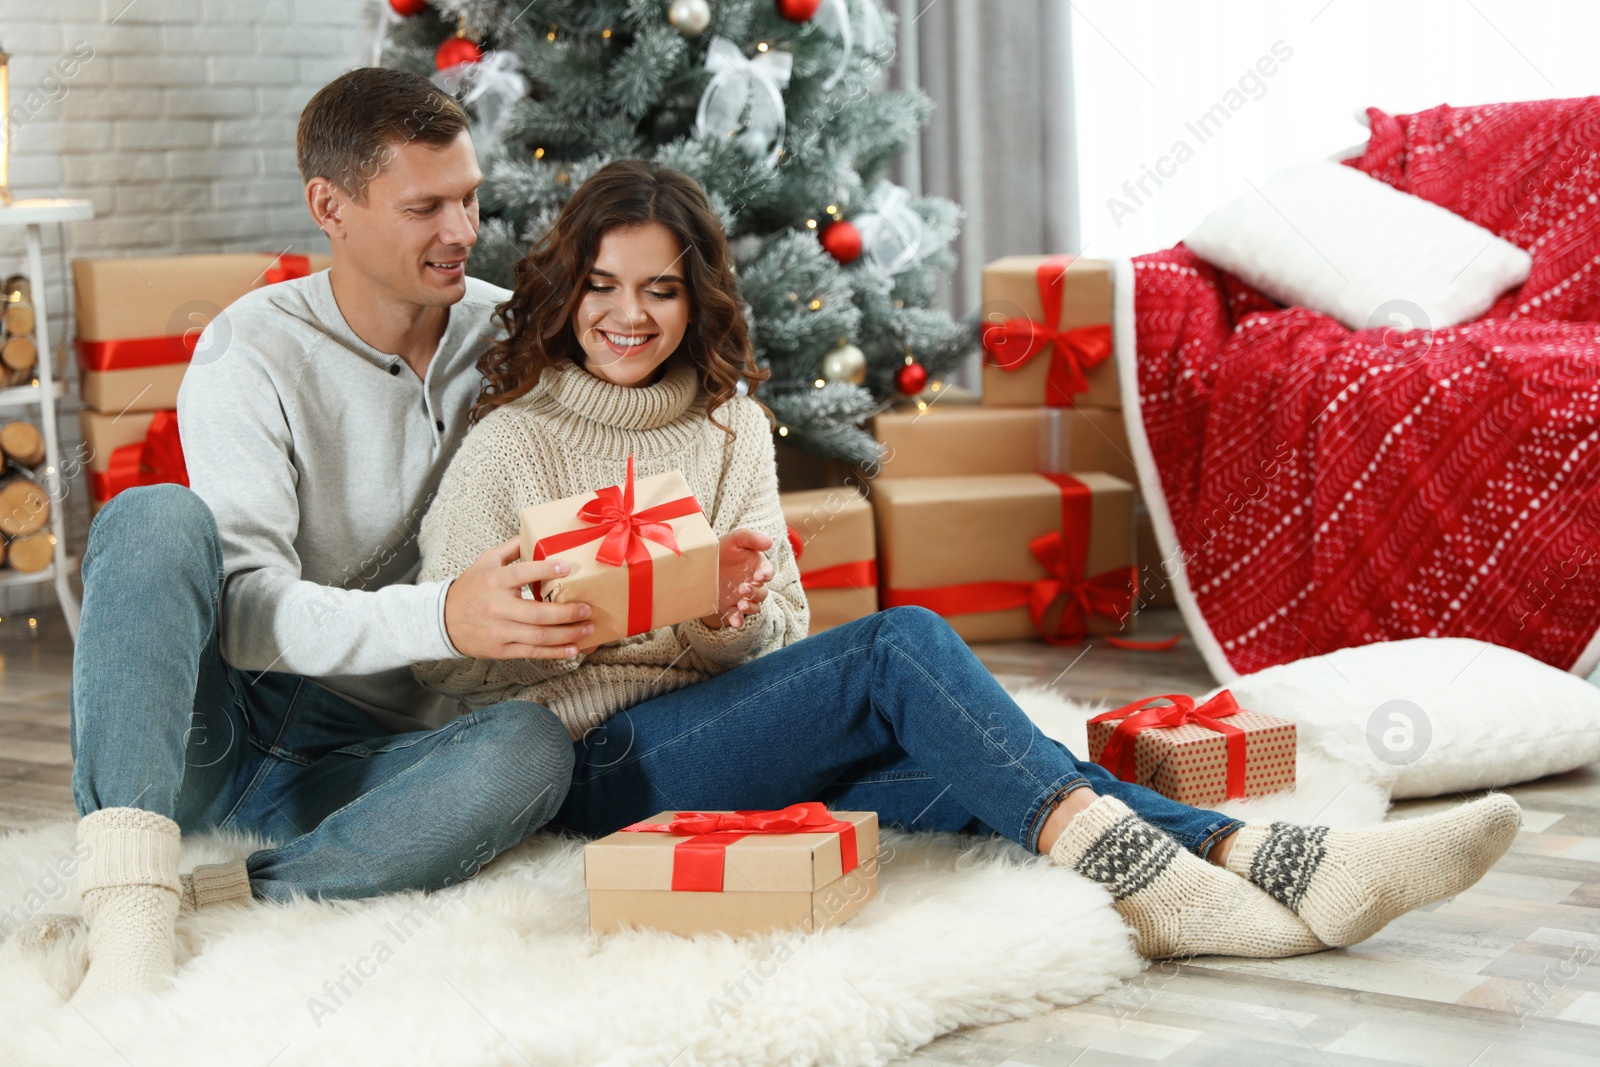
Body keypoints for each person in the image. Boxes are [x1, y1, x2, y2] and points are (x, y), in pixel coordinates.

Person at [413, 157, 1523, 963]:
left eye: (658, 288)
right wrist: (545, 622)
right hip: (598, 761)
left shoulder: (726, 428)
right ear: (568, 289)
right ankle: (1169, 881)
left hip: (730, 723)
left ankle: (1280, 859)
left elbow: (777, 634)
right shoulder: (512, 440)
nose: (628, 314)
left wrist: (727, 612)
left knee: (979, 766)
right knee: (902, 647)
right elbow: (439, 668)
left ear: (693, 296)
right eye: (604, 284)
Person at [58, 69, 583, 1004]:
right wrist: (447, 618)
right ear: (330, 206)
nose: (462, 232)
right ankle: (130, 905)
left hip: (376, 760)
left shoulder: (513, 333)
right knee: (151, 516)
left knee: (532, 750)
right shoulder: (248, 349)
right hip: (220, 730)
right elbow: (249, 616)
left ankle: (243, 890)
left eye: (469, 198)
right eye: (426, 207)